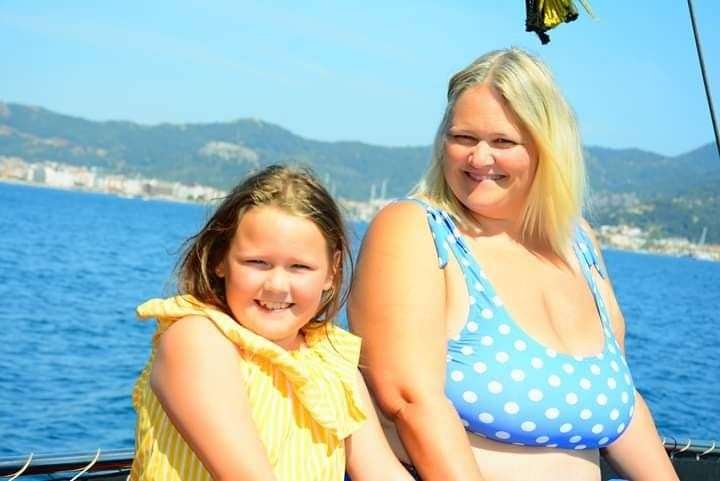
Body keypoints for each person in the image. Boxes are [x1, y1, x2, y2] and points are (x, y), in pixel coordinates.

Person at [348, 48, 679, 481]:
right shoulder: (417, 230)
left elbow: (620, 402)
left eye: (502, 142)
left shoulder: (578, 242)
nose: (479, 159)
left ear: (546, 148)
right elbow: (412, 403)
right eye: (463, 138)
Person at [130, 165, 413, 481]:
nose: (277, 285)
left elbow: (381, 471)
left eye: (299, 267)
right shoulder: (198, 339)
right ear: (219, 259)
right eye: (257, 263)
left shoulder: (332, 359)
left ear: (331, 272)